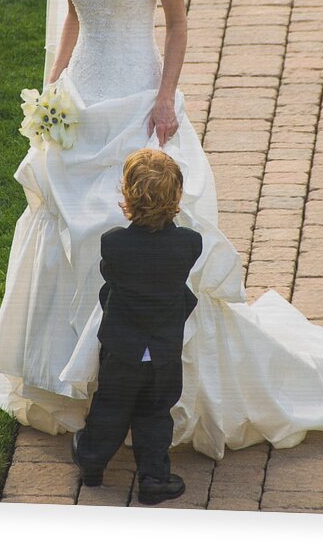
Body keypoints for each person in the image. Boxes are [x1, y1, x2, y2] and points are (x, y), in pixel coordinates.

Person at [0, 0, 323, 459]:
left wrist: (164, 99)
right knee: (63, 223)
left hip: (139, 96)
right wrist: (55, 82)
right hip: (82, 97)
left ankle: (160, 388)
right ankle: (73, 386)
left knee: (137, 224)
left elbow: (178, 22)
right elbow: (73, 11)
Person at [72, 148, 201, 505]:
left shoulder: (114, 244)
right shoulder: (189, 244)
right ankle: (154, 479)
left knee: (110, 407)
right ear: (176, 196)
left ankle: (92, 463)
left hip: (121, 350)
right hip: (163, 352)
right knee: (156, 414)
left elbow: (109, 280)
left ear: (126, 196)